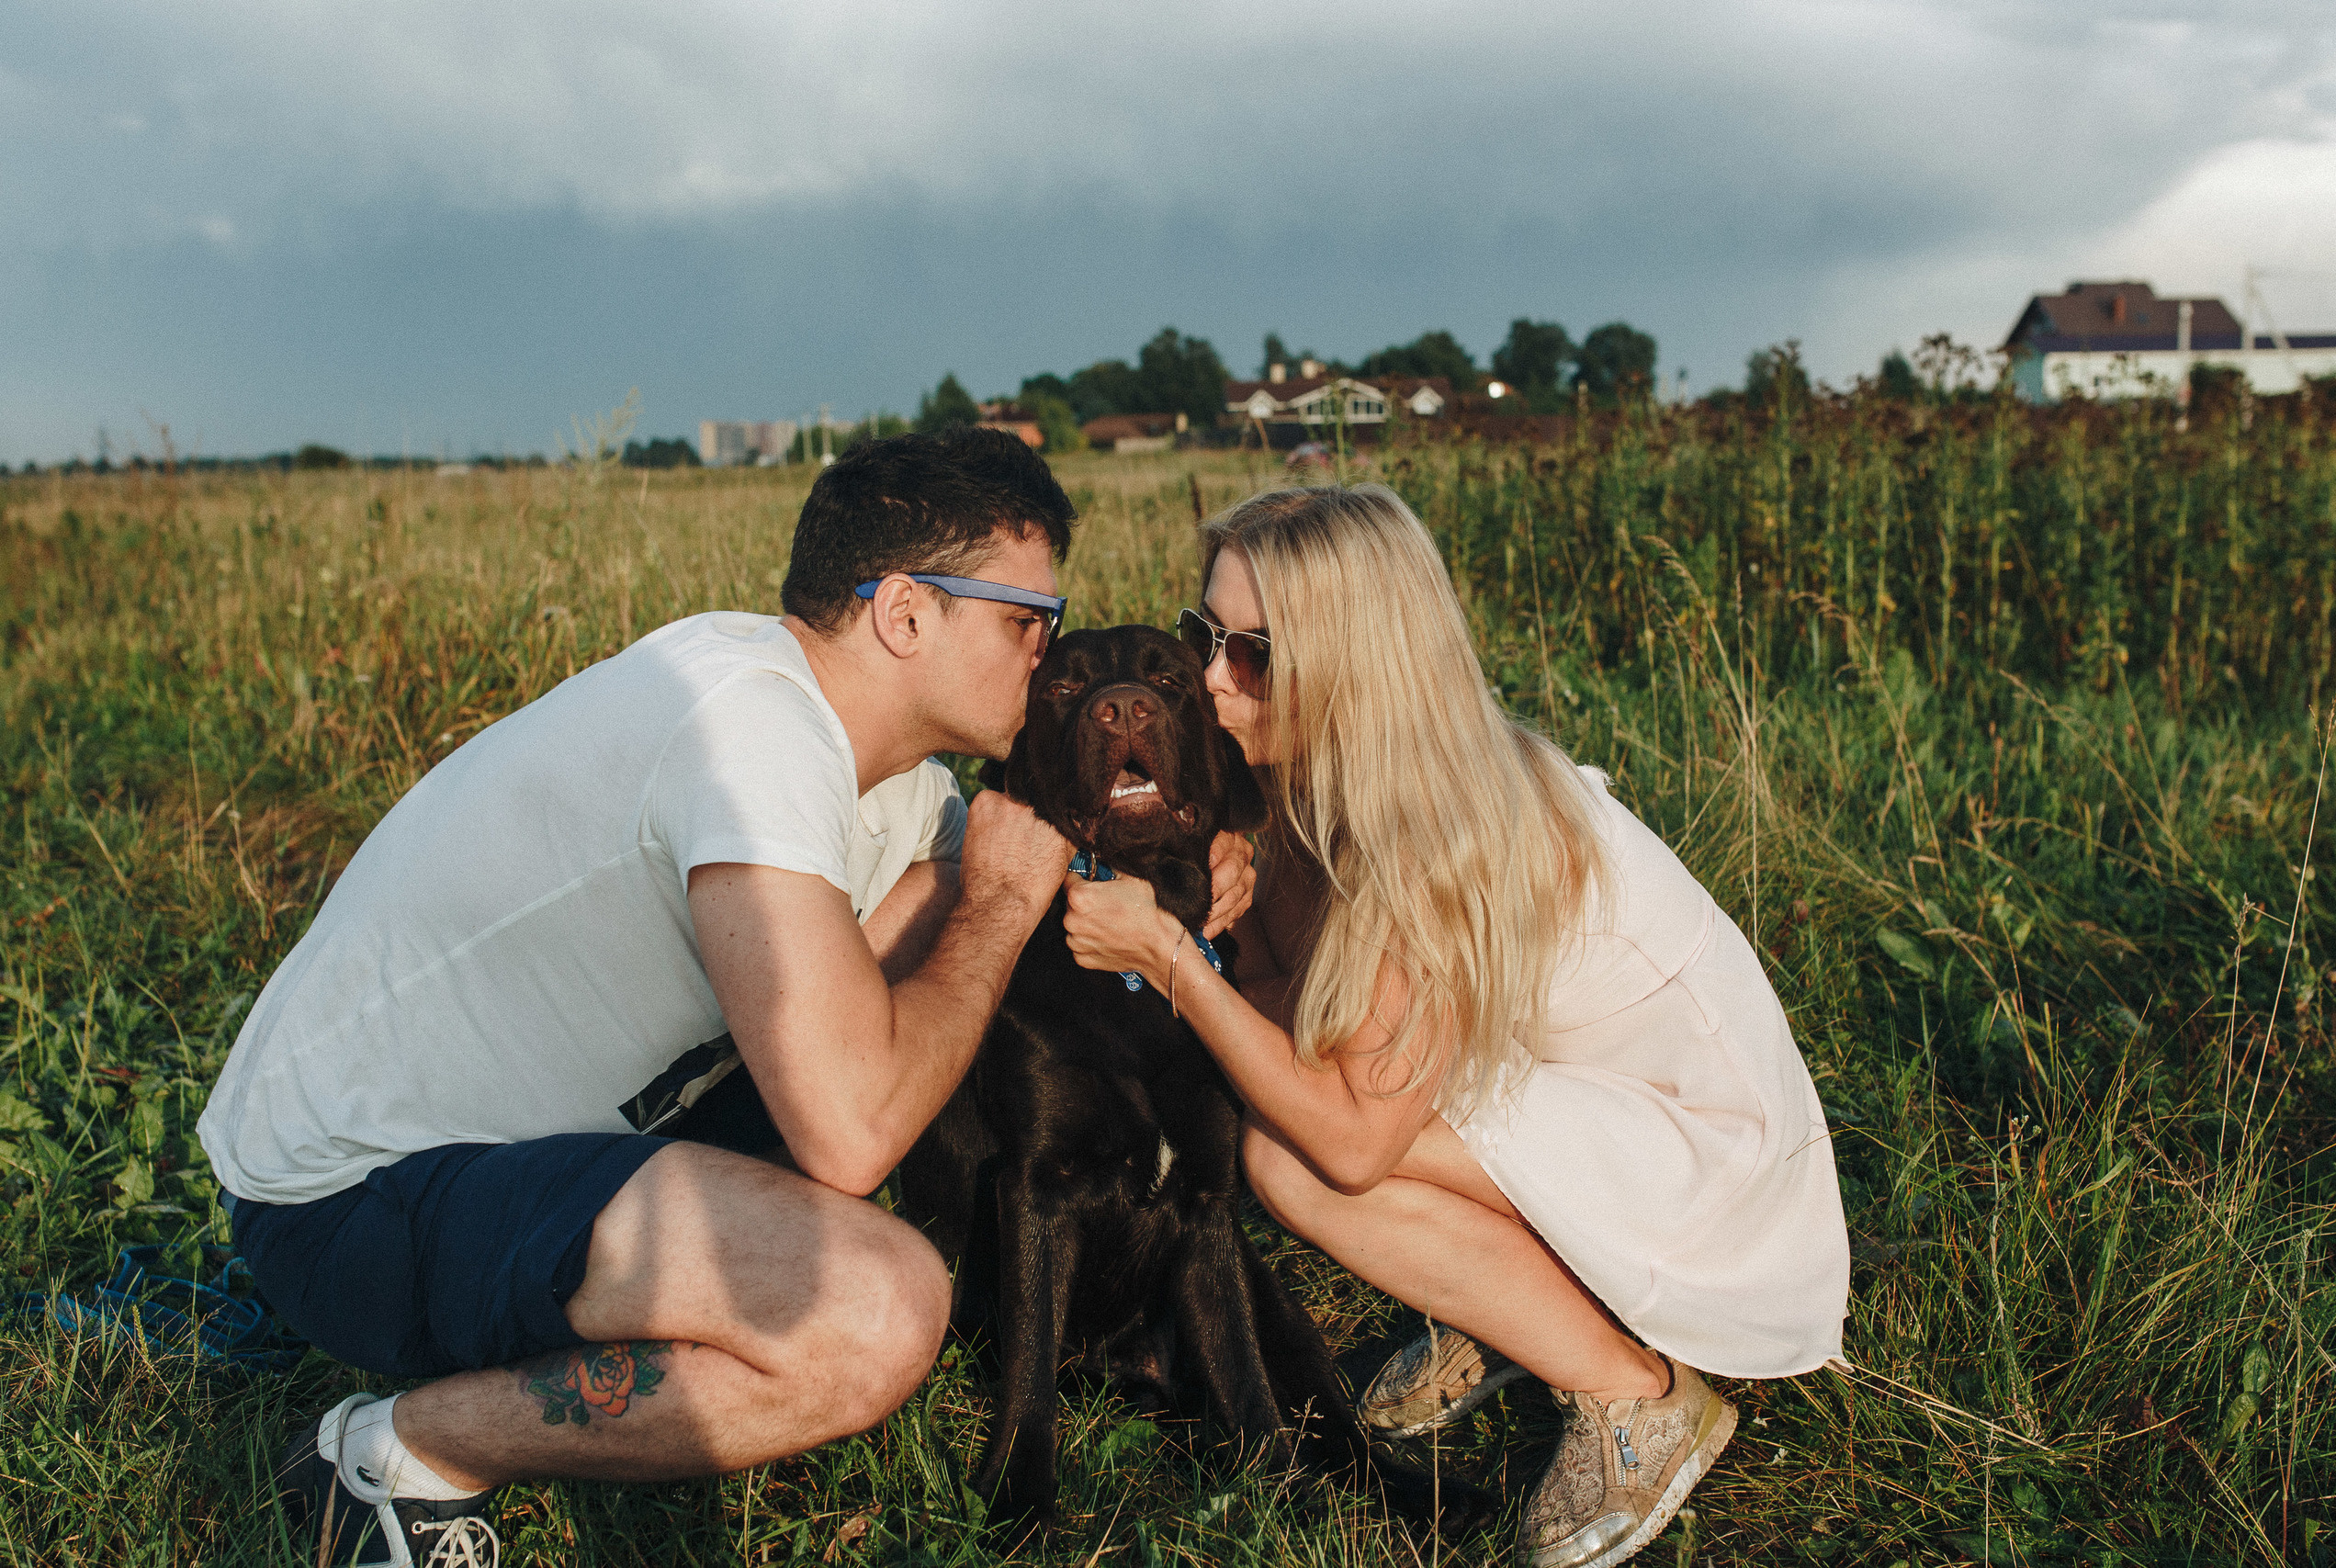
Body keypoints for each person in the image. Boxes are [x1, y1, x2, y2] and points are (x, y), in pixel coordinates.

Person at [196, 429, 1255, 1568]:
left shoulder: (884, 773)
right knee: (874, 1312)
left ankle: (564, 1319)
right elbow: (854, 1130)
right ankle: (403, 1451)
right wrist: (997, 902)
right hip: (347, 1202)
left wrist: (1206, 853)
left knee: (907, 999)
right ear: (905, 614)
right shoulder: (750, 736)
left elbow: (993, 897)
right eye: (1027, 621)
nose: (1049, 658)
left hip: (526, 1146)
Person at [1062, 484, 1849, 1568]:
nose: (1211, 680)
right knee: (1300, 1121)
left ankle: (1637, 1392)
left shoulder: (1437, 825)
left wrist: (1174, 961)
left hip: (1711, 1161)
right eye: (1204, 634)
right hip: (1575, 1106)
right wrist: (1233, 906)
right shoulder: (1318, 776)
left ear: (1357, 664)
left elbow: (1349, 1137)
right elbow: (1302, 1007)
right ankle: (1515, 1306)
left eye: (1255, 654)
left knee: (1300, 1164)